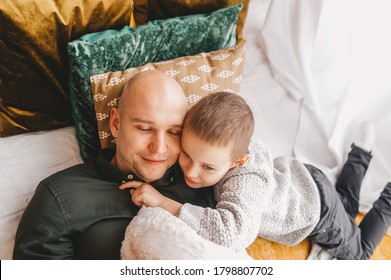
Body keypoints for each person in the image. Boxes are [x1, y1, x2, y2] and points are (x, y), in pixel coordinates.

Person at [120, 91, 391, 260]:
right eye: (187, 155)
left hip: (316, 212)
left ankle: (388, 196)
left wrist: (165, 203)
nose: (191, 171)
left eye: (209, 168)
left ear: (239, 161)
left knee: (358, 253)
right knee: (347, 204)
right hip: (304, 180)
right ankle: (361, 153)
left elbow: (233, 232)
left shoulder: (244, 180)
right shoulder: (225, 144)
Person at [13, 71, 216, 259]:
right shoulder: (59, 198)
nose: (159, 148)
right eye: (145, 129)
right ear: (116, 124)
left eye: (174, 132)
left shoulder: (205, 179)